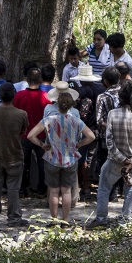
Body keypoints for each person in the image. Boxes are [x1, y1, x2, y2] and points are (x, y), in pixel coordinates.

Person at [29, 83, 95, 224]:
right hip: (70, 158)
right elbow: (91, 136)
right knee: (66, 191)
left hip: (52, 157)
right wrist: (79, 144)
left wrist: (42, 145)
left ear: (57, 103)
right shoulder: (76, 119)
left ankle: (54, 220)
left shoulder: (48, 119)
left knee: (53, 191)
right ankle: (65, 220)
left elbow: (30, 135)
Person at [90, 82, 132, 228]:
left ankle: (101, 219)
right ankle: (125, 219)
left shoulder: (112, 114)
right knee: (130, 190)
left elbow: (109, 141)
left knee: (104, 189)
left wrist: (122, 159)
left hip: (114, 160)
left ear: (120, 96)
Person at [0, 83, 28, 226]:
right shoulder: (21, 114)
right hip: (14, 154)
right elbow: (23, 131)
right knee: (13, 189)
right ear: (14, 95)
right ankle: (14, 218)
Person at [13, 67, 50, 198]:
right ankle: (41, 189)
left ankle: (22, 189)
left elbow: (15, 114)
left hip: (24, 135)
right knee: (42, 164)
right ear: (40, 80)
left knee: (23, 163)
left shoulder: (19, 95)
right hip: (41, 135)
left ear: (27, 79)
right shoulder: (46, 97)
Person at [72, 63, 104, 200]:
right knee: (92, 158)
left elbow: (83, 114)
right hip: (97, 128)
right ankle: (89, 184)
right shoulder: (101, 89)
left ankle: (84, 186)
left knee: (82, 159)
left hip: (85, 129)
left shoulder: (83, 92)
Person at [92, 67, 122, 198]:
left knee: (106, 163)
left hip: (107, 137)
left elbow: (99, 120)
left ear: (105, 81)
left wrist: (111, 127)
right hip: (124, 135)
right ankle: (120, 190)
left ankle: (109, 192)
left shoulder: (102, 97)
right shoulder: (125, 92)